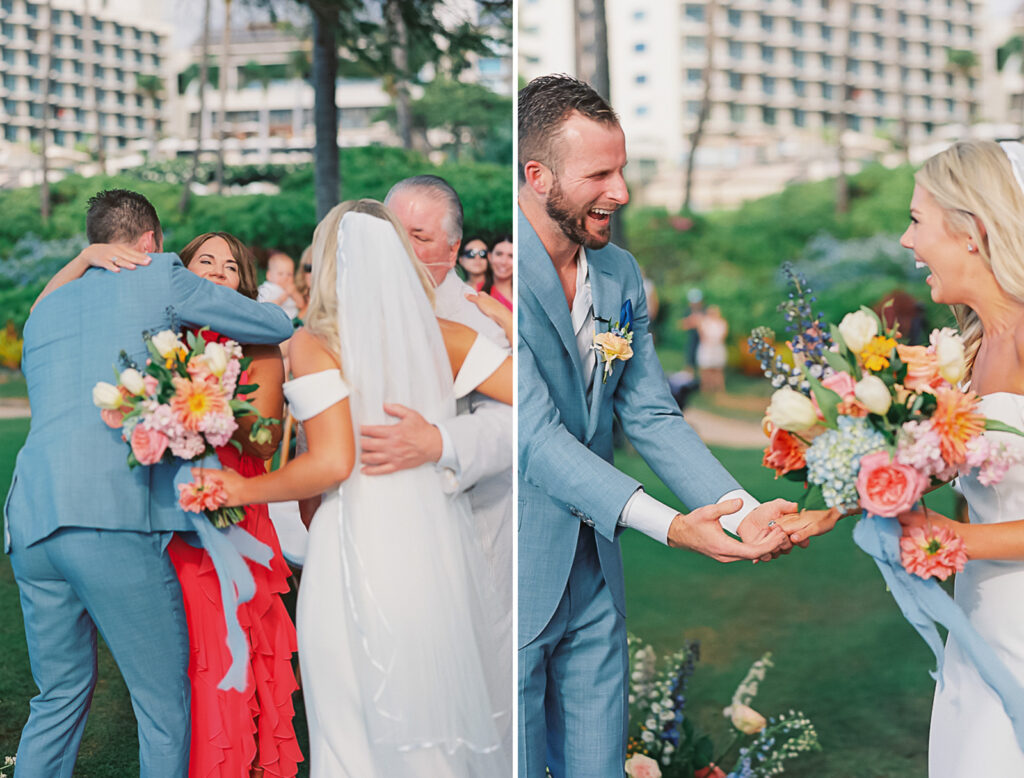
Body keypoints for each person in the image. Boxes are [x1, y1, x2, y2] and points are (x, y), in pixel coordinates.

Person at [516, 74, 793, 777]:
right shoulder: (498, 277)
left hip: (596, 572)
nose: (623, 192)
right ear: (537, 175)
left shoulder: (620, 273)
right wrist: (673, 526)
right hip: (512, 564)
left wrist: (744, 514)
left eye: (624, 170)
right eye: (600, 174)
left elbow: (649, 413)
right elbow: (536, 438)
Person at [202, 199, 512, 776]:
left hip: (353, 543)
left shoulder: (318, 343)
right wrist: (445, 435)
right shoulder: (447, 337)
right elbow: (537, 401)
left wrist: (240, 489)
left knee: (348, 724)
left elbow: (332, 463)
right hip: (432, 546)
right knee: (431, 719)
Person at [4, 189, 293, 778]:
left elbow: (45, 305)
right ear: (151, 242)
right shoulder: (162, 274)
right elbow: (275, 321)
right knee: (163, 707)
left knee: (57, 697)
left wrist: (83, 261)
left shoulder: (47, 310)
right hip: (109, 518)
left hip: (30, 521)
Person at [891, 140, 1024, 774]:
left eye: (918, 220)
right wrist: (829, 506)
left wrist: (954, 537)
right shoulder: (970, 350)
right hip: (979, 623)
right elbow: (930, 464)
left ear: (972, 231)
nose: (905, 240)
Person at [382, 175, 515, 743]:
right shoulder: (365, 307)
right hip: (381, 521)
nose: (399, 250)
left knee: (471, 689)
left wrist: (440, 442)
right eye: (389, 233)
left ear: (453, 251)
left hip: (465, 522)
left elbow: (514, 423)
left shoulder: (474, 319)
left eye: (416, 236)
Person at [258, 252, 303, 321]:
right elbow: (265, 308)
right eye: (280, 274)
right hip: (276, 321)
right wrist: (285, 296)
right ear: (269, 275)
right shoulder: (267, 288)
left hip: (293, 321)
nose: (285, 278)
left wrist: (294, 293)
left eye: (289, 274)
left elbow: (301, 304)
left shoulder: (291, 289)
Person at [695, 304, 729, 394]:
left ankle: (719, 387)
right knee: (706, 368)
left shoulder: (722, 323)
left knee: (718, 369)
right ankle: (706, 387)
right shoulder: (704, 323)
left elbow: (723, 335)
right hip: (707, 347)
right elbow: (701, 334)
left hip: (717, 347)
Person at [485, 235, 514, 311]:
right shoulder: (476, 292)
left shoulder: (525, 296)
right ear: (489, 256)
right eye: (499, 254)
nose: (503, 262)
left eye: (511, 256)